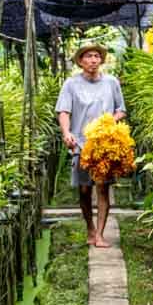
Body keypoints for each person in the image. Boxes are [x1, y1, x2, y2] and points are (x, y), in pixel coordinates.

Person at [55, 43, 126, 248]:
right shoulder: (71, 84)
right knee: (85, 190)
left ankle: (100, 235)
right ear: (81, 61)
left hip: (105, 144)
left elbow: (121, 110)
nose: (93, 60)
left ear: (101, 60)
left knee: (102, 189)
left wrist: (111, 121)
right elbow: (64, 112)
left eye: (96, 56)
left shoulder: (111, 82)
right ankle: (90, 228)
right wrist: (66, 133)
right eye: (88, 56)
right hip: (81, 144)